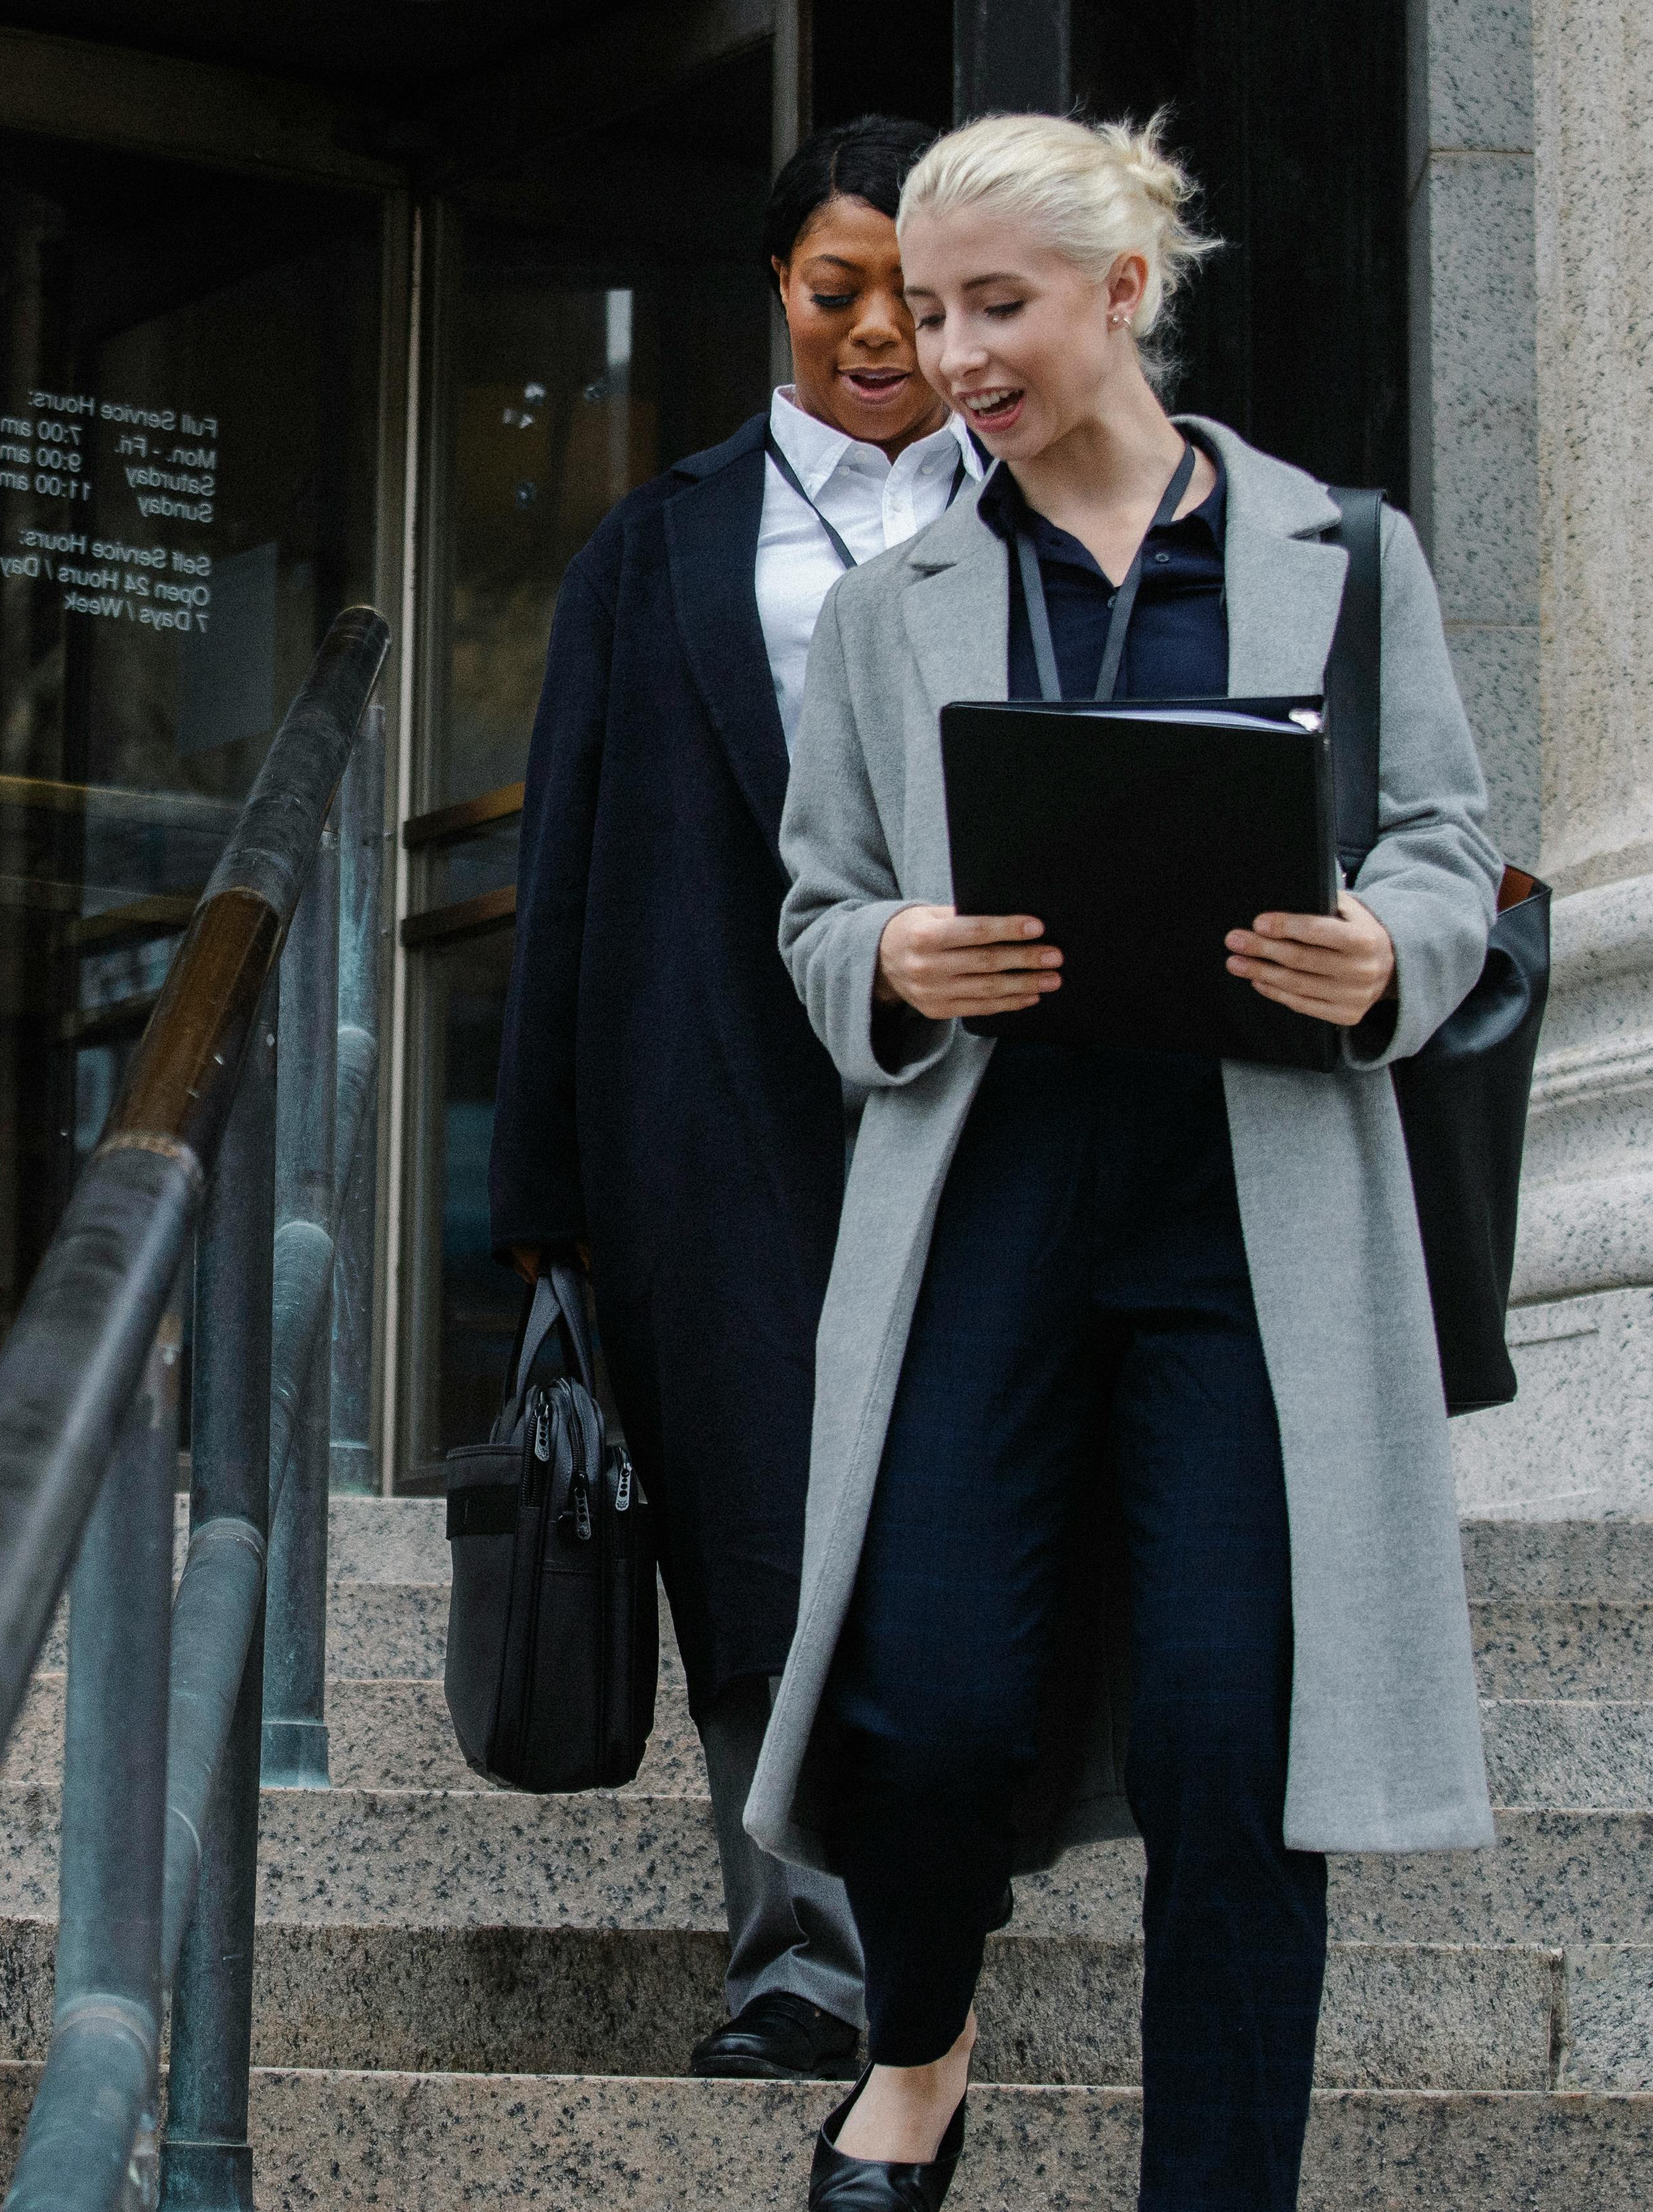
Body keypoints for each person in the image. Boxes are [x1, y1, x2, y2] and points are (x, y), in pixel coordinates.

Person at [748, 112, 1497, 2211]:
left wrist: (1387, 951)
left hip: (1246, 1230)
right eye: (925, 305)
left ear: (1123, 295)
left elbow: (1449, 849)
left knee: (1228, 1751)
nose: (952, 352)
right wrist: (893, 953)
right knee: (926, 1700)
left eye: (998, 304)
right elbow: (818, 905)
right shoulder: (887, 614)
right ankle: (916, 2047)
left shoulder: (1347, 550)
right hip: (986, 1208)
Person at [488, 116, 981, 2086]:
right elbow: (576, 853)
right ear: (774, 288)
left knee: (948, 1516)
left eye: (919, 295)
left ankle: (933, 1903)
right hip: (712, 1101)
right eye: (833, 286)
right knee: (761, 1533)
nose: (879, 332)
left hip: (972, 1087)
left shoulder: (1041, 516)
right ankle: (798, 1954)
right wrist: (545, 1196)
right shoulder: (663, 543)